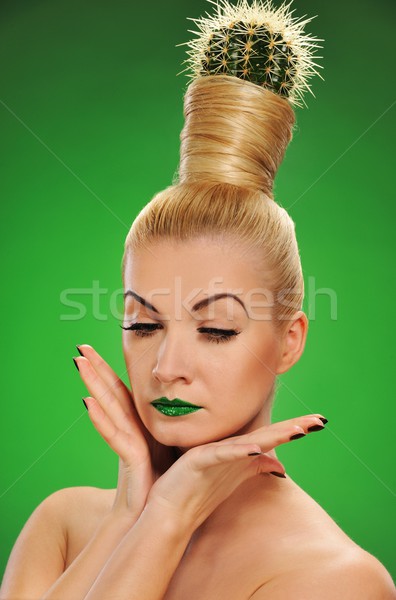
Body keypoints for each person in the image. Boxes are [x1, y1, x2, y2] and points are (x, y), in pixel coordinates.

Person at [1, 0, 395, 598]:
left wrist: (168, 514)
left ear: (289, 340)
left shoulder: (333, 578)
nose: (166, 368)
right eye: (142, 325)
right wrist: (139, 514)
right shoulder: (63, 524)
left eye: (216, 330)